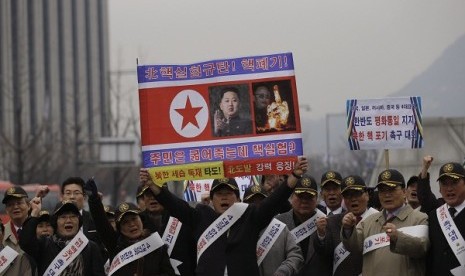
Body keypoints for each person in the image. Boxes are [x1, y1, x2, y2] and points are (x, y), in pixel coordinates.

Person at [140, 157, 308, 276]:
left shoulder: (250, 217)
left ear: (238, 198)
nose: (224, 197)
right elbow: (175, 205)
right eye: (219, 194)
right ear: (211, 199)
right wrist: (153, 186)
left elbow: (274, 201)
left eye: (229, 193)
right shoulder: (200, 217)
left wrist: (295, 176)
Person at [341, 169, 429, 276]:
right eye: (382, 190)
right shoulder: (368, 221)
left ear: (404, 192)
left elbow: (422, 248)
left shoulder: (419, 218)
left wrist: (398, 237)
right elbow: (354, 246)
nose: (387, 195)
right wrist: (348, 229)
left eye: (392, 189)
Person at [85, 179, 175, 276]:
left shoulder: (156, 245)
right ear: (119, 228)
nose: (132, 224)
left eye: (134, 219)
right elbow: (101, 224)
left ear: (141, 219)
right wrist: (94, 200)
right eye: (125, 222)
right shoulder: (115, 245)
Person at [20, 199, 105, 275]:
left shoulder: (90, 247)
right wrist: (34, 213)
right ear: (55, 222)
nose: (68, 220)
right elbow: (26, 243)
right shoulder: (45, 244)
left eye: (73, 216)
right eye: (63, 217)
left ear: (79, 221)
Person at [314, 175, 378, 276]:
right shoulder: (332, 222)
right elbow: (324, 255)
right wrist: (321, 234)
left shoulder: (378, 219)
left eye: (357, 194)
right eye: (348, 195)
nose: (353, 199)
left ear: (367, 195)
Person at [242, 185, 303, 276]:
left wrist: (285, 270)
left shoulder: (279, 228)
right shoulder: (236, 231)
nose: (258, 206)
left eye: (262, 202)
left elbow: (296, 255)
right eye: (252, 202)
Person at [275, 174, 330, 276]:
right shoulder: (278, 223)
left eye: (309, 197)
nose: (304, 201)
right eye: (300, 196)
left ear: (317, 198)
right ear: (292, 197)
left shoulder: (326, 222)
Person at [426, 162, 465, 275]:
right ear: (439, 189)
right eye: (444, 184)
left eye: (454, 183)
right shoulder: (434, 216)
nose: (449, 189)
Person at [2, 186, 30, 252]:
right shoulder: (2, 234)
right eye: (10, 205)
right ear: (6, 210)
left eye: (19, 203)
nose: (15, 207)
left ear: (28, 206)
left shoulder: (38, 230)